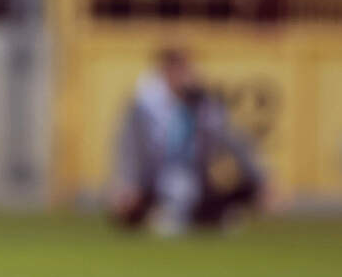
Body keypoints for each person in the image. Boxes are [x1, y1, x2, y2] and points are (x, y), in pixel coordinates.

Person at [110, 47, 269, 234]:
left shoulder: (203, 105)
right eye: (176, 71)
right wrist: (127, 184)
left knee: (234, 189)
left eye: (184, 71)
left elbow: (233, 140)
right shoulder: (143, 106)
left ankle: (184, 216)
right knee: (131, 208)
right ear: (164, 73)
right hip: (154, 180)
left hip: (195, 178)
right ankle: (179, 215)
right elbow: (128, 149)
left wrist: (264, 180)